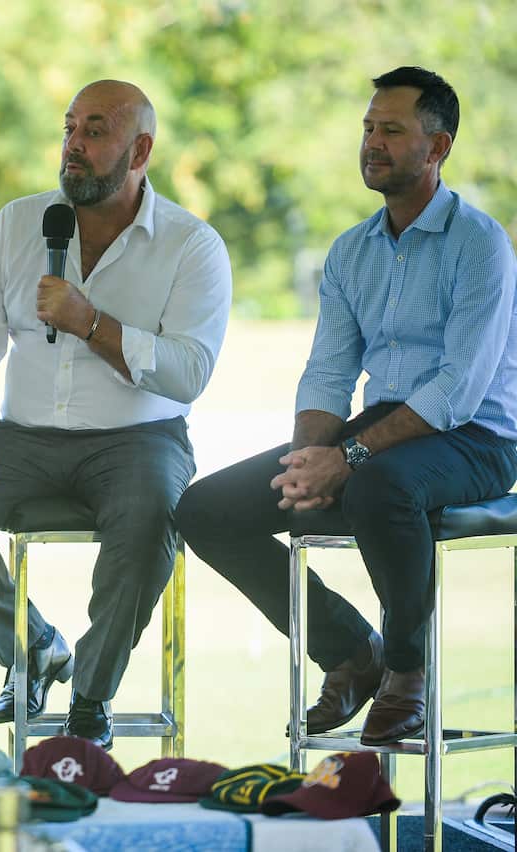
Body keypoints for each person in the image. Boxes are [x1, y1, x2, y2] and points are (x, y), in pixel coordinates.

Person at [175, 66, 517, 745]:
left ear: (438, 147)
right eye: (367, 128)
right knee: (205, 510)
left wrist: (350, 457)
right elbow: (329, 373)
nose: (372, 142)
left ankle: (407, 673)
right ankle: (351, 652)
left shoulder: (481, 244)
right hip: (385, 430)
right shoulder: (351, 250)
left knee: (378, 487)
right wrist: (309, 457)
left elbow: (457, 389)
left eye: (391, 130)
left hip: (477, 438)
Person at [0, 80, 232, 749]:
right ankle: (35, 648)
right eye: (70, 128)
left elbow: (189, 372)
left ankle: (90, 698)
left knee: (149, 524)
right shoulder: (18, 224)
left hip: (139, 441)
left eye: (95, 131)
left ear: (140, 151)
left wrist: (92, 323)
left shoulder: (192, 245)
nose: (74, 145)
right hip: (19, 436)